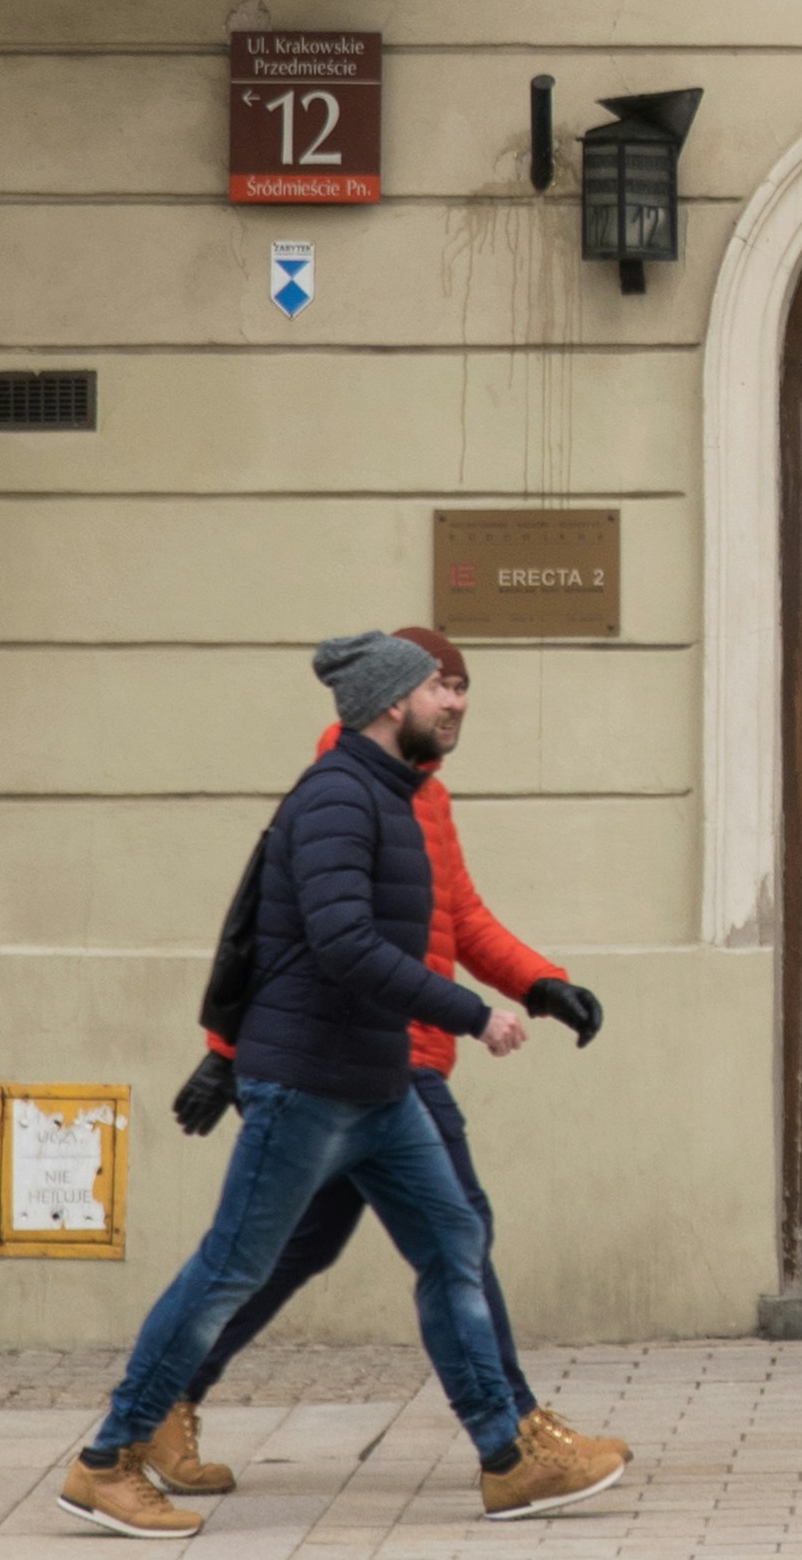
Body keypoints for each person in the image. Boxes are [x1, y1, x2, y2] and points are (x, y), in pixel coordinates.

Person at [56, 634, 636, 1539]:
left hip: (376, 1081)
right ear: (389, 701)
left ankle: (508, 1455)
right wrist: (472, 1013)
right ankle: (108, 1458)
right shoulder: (335, 796)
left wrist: (533, 981)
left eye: (461, 690)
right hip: (310, 1080)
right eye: (440, 689)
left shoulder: (401, 796)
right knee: (233, 1267)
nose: (459, 704)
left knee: (452, 1243)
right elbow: (329, 943)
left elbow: (451, 919)